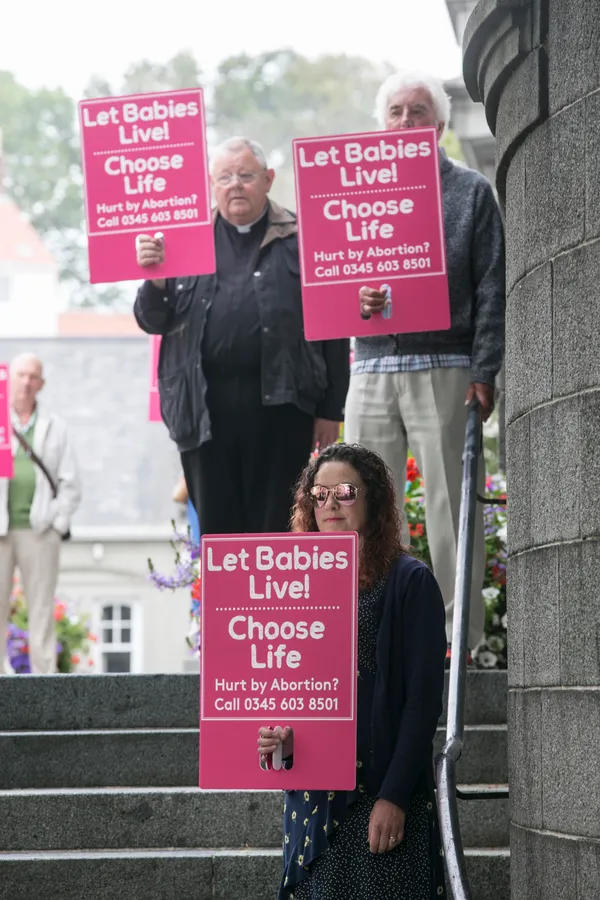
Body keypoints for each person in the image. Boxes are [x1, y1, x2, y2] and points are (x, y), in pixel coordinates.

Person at [344, 70, 506, 662]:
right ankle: (369, 638)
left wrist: (485, 370)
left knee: (451, 509)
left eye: (418, 112)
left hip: (446, 361)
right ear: (380, 124)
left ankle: (457, 641)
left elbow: (492, 286)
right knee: (358, 504)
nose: (406, 122)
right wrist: (352, 301)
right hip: (369, 368)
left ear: (438, 128)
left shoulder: (469, 193)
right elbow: (326, 285)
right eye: (395, 112)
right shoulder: (349, 197)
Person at [258, 443, 447, 900]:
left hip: (379, 793)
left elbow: (423, 704)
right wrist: (281, 738)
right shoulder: (294, 586)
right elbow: (294, 690)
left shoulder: (410, 581)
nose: (329, 504)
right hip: (314, 798)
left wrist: (395, 796)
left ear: (373, 499)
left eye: (344, 491)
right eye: (318, 495)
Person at [134, 137, 349, 535]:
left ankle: (274, 600)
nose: (235, 185)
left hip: (284, 411)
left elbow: (334, 326)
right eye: (225, 176)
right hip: (203, 414)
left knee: (278, 528)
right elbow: (152, 320)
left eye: (246, 175)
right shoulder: (180, 242)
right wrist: (156, 281)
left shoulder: (303, 238)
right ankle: (225, 601)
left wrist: (331, 408)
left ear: (268, 179)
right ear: (211, 185)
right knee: (218, 534)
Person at [0, 353, 81, 674]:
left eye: (33, 376)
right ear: (9, 379)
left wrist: (57, 524)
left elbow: (71, 481)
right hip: (1, 529)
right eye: (21, 374)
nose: (26, 382)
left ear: (41, 384)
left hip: (39, 529)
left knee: (41, 608)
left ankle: (44, 680)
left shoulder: (55, 426)